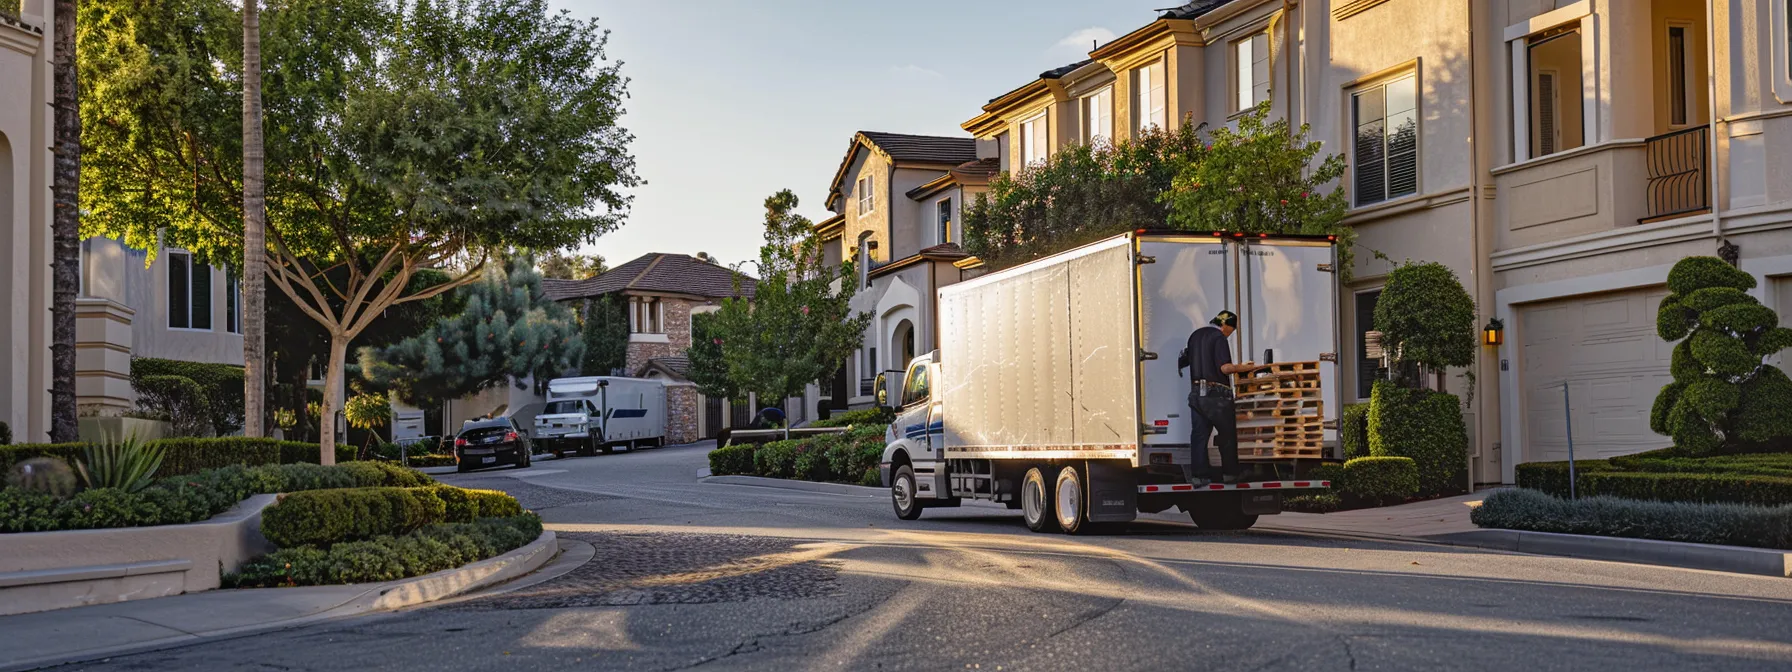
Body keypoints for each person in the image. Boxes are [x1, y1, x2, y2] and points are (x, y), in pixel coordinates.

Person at [1176, 310, 1257, 485]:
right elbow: (1225, 368)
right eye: (1231, 331)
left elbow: (1186, 360)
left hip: (1196, 393)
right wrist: (1244, 367)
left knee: (1199, 436)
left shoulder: (1195, 336)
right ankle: (1230, 474)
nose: (1229, 335)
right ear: (1226, 325)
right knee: (1227, 435)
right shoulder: (1218, 337)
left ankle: (1199, 476)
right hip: (1217, 394)